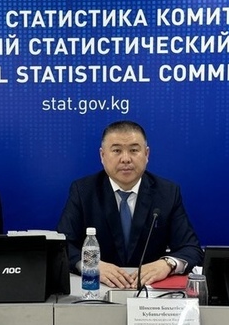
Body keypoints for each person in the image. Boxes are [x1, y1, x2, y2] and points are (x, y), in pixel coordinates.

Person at [57, 120, 203, 289]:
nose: (126, 159)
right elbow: (62, 246)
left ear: (146, 154)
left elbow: (191, 249)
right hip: (96, 288)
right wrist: (91, 263)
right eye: (117, 150)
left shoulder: (167, 192)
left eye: (134, 150)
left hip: (149, 292)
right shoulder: (83, 191)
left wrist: (166, 264)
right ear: (102, 156)